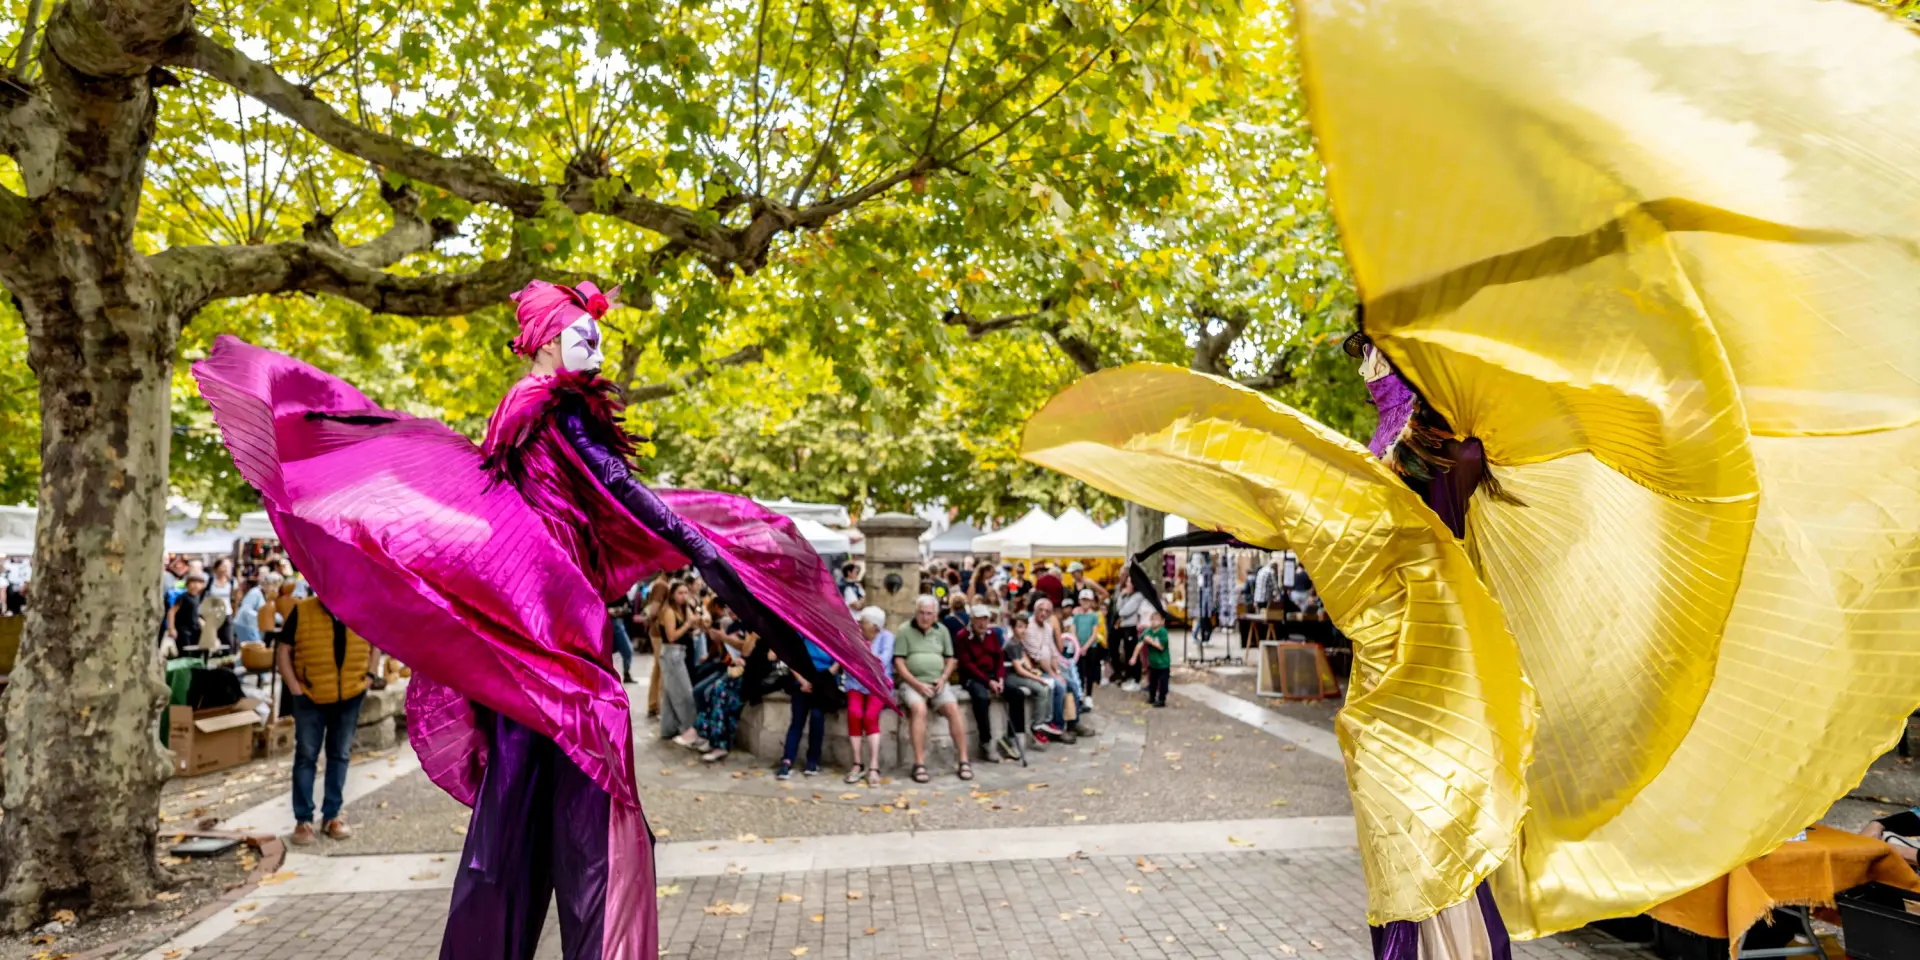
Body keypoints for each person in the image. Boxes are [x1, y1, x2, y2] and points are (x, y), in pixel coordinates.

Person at [194, 280, 892, 960]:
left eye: (596, 331)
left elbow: (594, 495)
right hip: (551, 639)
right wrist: (702, 546)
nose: (595, 341)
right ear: (544, 343)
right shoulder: (554, 408)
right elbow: (617, 485)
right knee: (584, 810)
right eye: (580, 331)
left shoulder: (522, 414)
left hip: (536, 640)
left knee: (511, 824)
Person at [275, 594, 372, 844]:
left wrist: (369, 677)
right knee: (306, 756)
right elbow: (283, 650)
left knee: (340, 755)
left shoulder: (360, 608)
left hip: (350, 694)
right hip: (310, 696)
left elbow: (375, 642)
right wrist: (295, 688)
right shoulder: (302, 611)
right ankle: (303, 820)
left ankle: (332, 816)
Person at [895, 594, 971, 783]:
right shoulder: (904, 630)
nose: (925, 617)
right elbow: (899, 663)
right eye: (921, 613)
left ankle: (963, 760)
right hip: (912, 682)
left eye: (929, 614)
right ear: (916, 613)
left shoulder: (942, 631)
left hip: (937, 682)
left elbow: (950, 659)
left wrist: (944, 678)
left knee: (953, 708)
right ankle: (919, 764)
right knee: (918, 709)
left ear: (935, 615)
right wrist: (916, 684)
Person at [957, 605, 1025, 763]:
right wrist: (989, 682)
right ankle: (986, 742)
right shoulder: (963, 636)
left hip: (993, 675)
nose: (982, 623)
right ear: (972, 620)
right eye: (979, 619)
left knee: (1017, 694)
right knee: (981, 697)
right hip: (973, 677)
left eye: (985, 619)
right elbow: (968, 665)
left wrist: (1000, 678)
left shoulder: (992, 634)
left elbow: (999, 658)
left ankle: (1014, 737)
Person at [843, 606, 894, 786]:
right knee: (854, 713)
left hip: (878, 684)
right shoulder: (853, 636)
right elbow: (849, 659)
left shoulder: (887, 638)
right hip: (855, 682)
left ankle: (874, 765)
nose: (859, 624)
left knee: (870, 716)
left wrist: (864, 655)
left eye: (863, 622)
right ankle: (857, 764)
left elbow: (882, 661)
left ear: (874, 626)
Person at [653, 580, 707, 750]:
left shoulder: (683, 608)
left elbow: (695, 624)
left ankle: (668, 729)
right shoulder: (668, 611)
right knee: (685, 694)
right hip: (672, 653)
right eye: (680, 593)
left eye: (685, 593)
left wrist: (696, 621)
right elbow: (671, 636)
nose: (683, 596)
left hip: (680, 653)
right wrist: (688, 624)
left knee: (671, 695)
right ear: (673, 594)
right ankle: (689, 730)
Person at [1005, 612, 1071, 743]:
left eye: (1025, 627)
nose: (1023, 630)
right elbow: (1019, 670)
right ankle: (1037, 724)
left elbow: (1025, 664)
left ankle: (1047, 720)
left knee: (1049, 685)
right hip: (1010, 676)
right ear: (1013, 628)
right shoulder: (1011, 645)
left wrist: (1034, 671)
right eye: (1019, 627)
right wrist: (1038, 679)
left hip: (1018, 673)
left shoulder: (1020, 643)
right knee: (1041, 689)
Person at [777, 639, 837, 779]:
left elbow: (839, 660)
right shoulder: (801, 635)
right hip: (802, 681)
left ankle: (813, 761)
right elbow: (791, 659)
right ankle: (787, 759)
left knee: (817, 717)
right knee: (797, 720)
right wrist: (802, 681)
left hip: (823, 682)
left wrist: (822, 680)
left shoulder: (831, 637)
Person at [1113, 578, 1148, 691]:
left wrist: (1123, 606)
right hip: (1124, 627)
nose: (1126, 584)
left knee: (1133, 652)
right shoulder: (1127, 595)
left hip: (1131, 627)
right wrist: (1121, 596)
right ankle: (1129, 677)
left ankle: (1135, 678)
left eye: (1129, 582)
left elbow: (1124, 611)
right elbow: (1119, 609)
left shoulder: (1138, 596)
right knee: (1127, 652)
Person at [1069, 589, 1106, 694]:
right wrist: (1078, 645)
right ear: (1080, 601)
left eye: (1088, 600)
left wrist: (1085, 647)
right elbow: (1073, 630)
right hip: (1078, 648)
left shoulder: (1094, 616)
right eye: (1083, 600)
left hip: (1091, 647)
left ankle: (1089, 695)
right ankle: (1079, 694)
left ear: (1091, 602)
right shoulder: (1076, 616)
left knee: (1090, 671)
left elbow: (1094, 633)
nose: (1085, 603)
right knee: (1079, 671)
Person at [166, 572, 207, 655]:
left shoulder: (199, 598)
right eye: (193, 582)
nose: (196, 585)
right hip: (183, 630)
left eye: (199, 583)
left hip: (196, 629)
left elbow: (196, 614)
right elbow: (172, 612)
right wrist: (171, 628)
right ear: (187, 584)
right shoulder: (183, 597)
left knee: (197, 652)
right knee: (185, 652)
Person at [233, 571, 276, 648]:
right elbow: (246, 610)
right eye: (274, 586)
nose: (275, 589)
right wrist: (262, 616)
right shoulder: (255, 593)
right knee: (255, 651)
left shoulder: (268, 596)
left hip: (254, 627)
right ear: (267, 584)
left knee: (252, 652)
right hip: (245, 625)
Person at [1138, 609, 1172, 708]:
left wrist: (1151, 641)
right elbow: (1140, 641)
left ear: (1162, 622)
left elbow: (1161, 647)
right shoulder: (1148, 631)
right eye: (1152, 620)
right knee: (1152, 682)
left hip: (1163, 663)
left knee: (1163, 683)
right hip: (1153, 662)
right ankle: (1152, 697)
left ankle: (1162, 699)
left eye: (1156, 620)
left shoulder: (1162, 632)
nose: (1154, 622)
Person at [205, 557, 236, 648]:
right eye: (224, 566)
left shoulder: (231, 581)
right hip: (213, 614)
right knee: (213, 639)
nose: (226, 568)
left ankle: (228, 659)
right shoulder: (210, 580)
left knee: (228, 639)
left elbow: (235, 598)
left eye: (228, 566)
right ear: (217, 567)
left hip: (227, 613)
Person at [607, 590, 636, 683]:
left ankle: (626, 673)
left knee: (627, 650)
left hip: (618, 623)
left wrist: (618, 610)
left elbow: (628, 608)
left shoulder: (620, 591)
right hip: (605, 623)